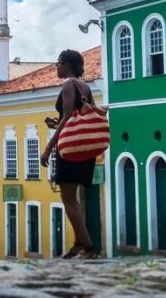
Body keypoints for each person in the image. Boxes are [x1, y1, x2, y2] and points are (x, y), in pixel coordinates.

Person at [41, 50, 107, 259]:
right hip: (84, 149)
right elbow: (88, 113)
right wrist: (57, 121)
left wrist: (48, 148)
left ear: (67, 65)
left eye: (58, 63)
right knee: (74, 200)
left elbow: (69, 115)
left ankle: (88, 247)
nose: (56, 67)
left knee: (68, 200)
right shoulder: (85, 86)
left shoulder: (68, 84)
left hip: (69, 150)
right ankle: (80, 242)